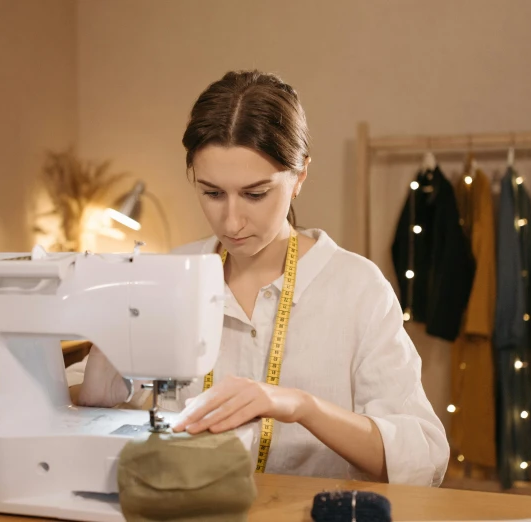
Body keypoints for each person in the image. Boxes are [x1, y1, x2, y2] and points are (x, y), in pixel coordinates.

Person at [75, 69, 449, 487]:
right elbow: (98, 405)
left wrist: (301, 406)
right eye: (212, 193)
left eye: (255, 194)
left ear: (300, 176)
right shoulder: (164, 278)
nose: (231, 221)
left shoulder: (358, 289)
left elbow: (424, 457)